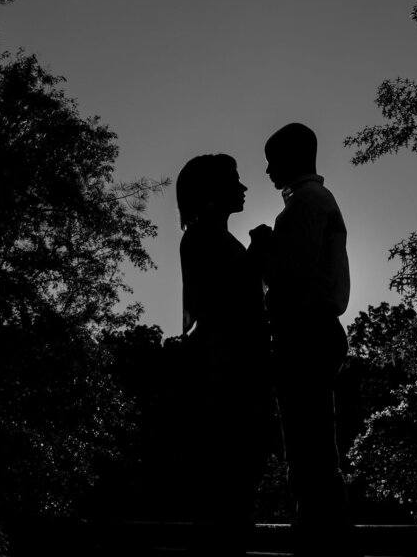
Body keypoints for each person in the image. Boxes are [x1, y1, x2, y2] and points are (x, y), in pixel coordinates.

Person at [248, 123, 353, 555]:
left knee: (307, 442)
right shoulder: (315, 200)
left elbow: (290, 277)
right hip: (314, 330)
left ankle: (320, 535)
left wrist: (262, 249)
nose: (267, 170)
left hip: (305, 332)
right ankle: (323, 529)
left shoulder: (304, 204)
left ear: (292, 158)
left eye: (272, 160)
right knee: (312, 437)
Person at [175, 154, 273, 553]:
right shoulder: (201, 239)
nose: (244, 187)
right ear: (213, 192)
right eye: (235, 180)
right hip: (224, 376)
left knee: (241, 475)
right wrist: (257, 254)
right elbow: (219, 304)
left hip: (238, 371)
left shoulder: (218, 240)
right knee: (228, 474)